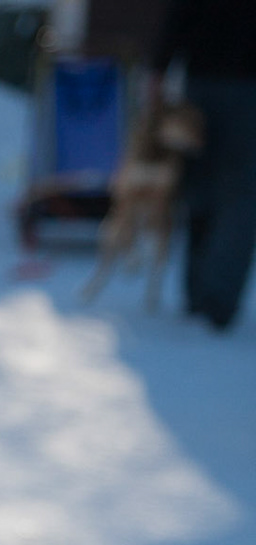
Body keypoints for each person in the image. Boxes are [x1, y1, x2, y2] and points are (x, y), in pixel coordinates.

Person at [152, 0, 256, 331]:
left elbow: (177, 15)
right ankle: (213, 299)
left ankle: (205, 295)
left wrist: (158, 68)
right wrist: (159, 68)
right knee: (223, 191)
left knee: (217, 190)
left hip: (209, 80)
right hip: (212, 83)